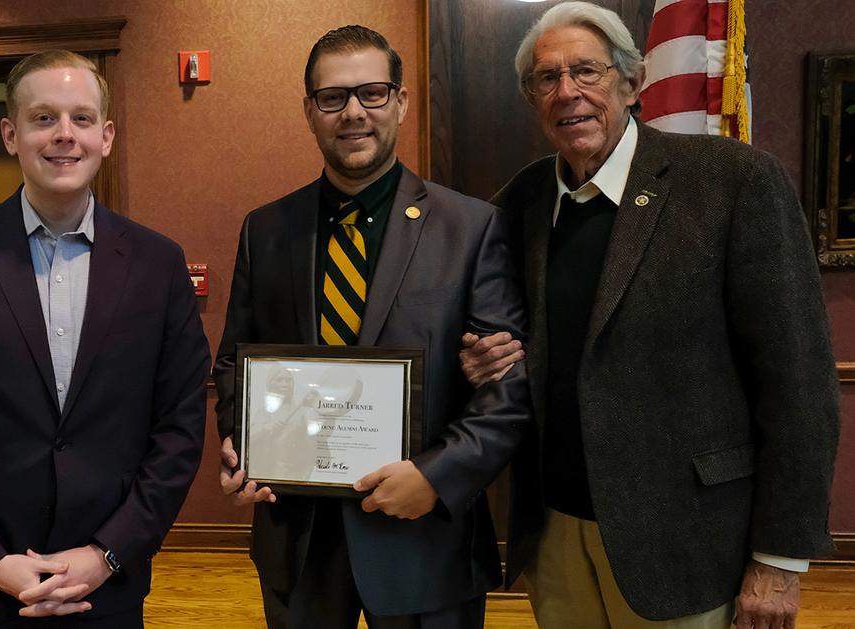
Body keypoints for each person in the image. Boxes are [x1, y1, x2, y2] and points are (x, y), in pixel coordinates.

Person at [459, 3, 840, 628]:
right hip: (554, 535)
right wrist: (482, 362)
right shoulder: (516, 204)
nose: (568, 93)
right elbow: (508, 346)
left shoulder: (732, 182)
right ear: (532, 98)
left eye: (587, 71)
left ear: (631, 82)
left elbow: (798, 384)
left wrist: (779, 558)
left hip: (688, 544)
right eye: (547, 79)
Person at [214, 25, 533, 629]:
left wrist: (437, 476)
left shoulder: (471, 228)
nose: (353, 112)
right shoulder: (266, 229)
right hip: (299, 538)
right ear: (310, 111)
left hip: (423, 537)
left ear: (402, 102)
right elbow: (235, 360)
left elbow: (505, 386)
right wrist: (242, 447)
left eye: (373, 93)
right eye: (333, 97)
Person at [0, 50, 210, 627]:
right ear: (11, 134)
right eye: (43, 118)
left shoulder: (159, 264)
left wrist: (109, 552)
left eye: (82, 119)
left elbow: (179, 425)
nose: (65, 135)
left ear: (106, 136)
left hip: (101, 585)